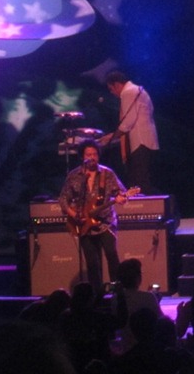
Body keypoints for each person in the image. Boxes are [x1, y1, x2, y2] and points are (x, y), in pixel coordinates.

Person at [59, 140, 128, 289]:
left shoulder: (107, 174)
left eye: (95, 154)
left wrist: (121, 198)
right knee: (92, 262)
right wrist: (73, 214)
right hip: (83, 224)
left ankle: (117, 289)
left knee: (111, 254)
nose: (92, 157)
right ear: (82, 157)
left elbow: (120, 192)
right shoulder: (74, 175)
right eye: (88, 154)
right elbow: (63, 199)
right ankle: (97, 293)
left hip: (105, 222)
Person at [102, 70, 159, 192]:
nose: (112, 93)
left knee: (140, 181)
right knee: (142, 179)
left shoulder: (128, 92)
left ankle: (145, 204)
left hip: (140, 141)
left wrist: (112, 137)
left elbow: (128, 121)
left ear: (117, 84)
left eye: (111, 89)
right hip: (147, 140)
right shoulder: (137, 90)